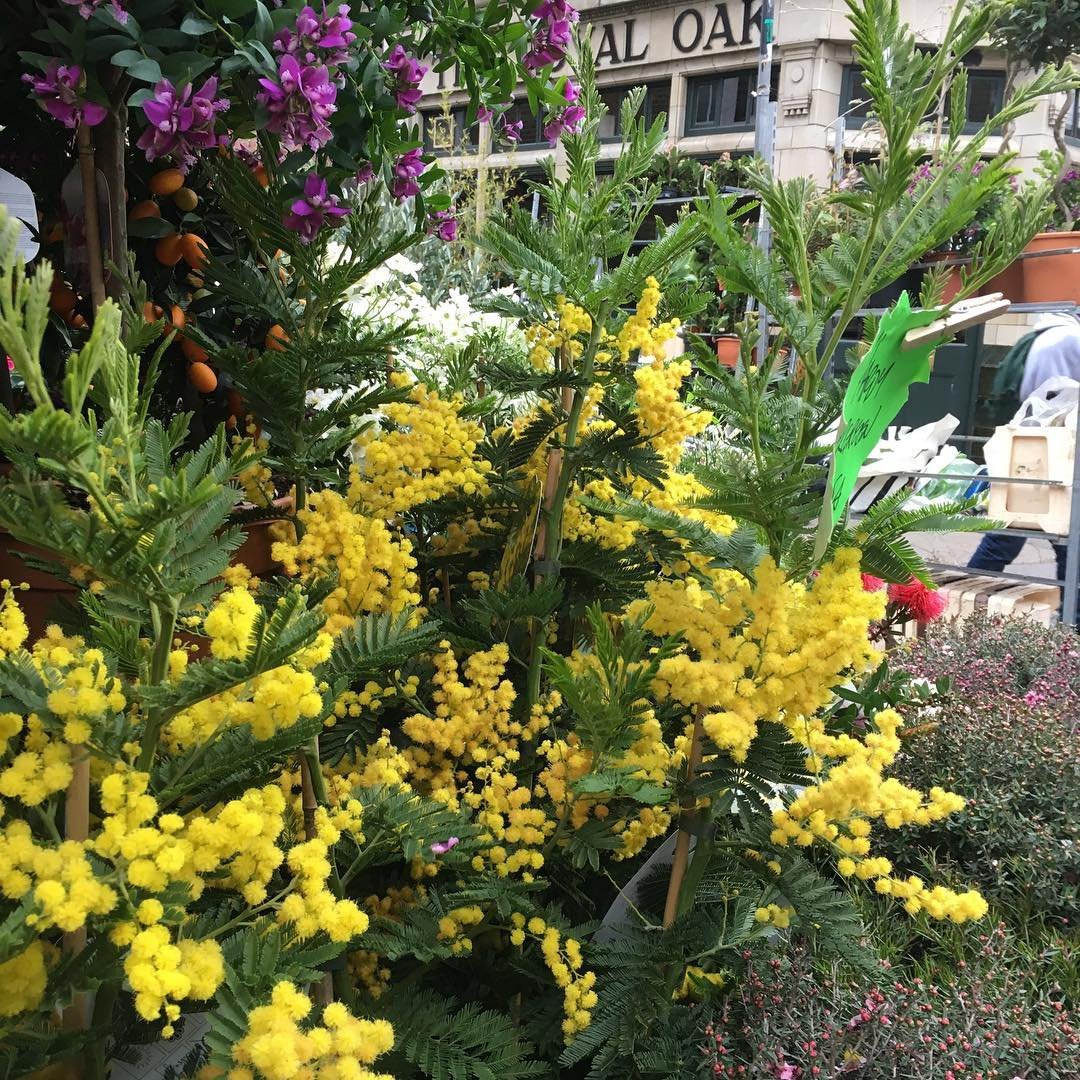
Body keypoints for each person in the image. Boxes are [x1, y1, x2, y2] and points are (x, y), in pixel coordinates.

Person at [968, 314, 1080, 621]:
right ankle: (1073, 621)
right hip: (1055, 457)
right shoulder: (1071, 340)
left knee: (1011, 532)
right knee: (1067, 538)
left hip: (1028, 451)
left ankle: (965, 595)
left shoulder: (1041, 337)